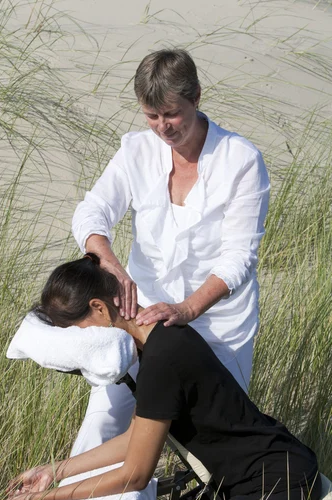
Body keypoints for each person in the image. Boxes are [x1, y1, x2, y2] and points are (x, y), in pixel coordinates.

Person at [0, 255, 331, 500]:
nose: (79, 347)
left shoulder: (161, 360)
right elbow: (134, 440)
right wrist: (52, 471)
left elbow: (135, 474)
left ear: (99, 308)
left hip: (277, 484)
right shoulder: (157, 341)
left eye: (75, 334)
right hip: (243, 479)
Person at [71, 49, 270, 454]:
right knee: (101, 431)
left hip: (219, 330)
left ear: (197, 96)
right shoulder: (136, 151)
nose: (163, 127)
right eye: (151, 115)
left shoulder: (242, 161)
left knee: (214, 449)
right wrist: (108, 263)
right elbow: (92, 211)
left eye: (171, 113)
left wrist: (186, 309)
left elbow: (239, 258)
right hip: (140, 319)